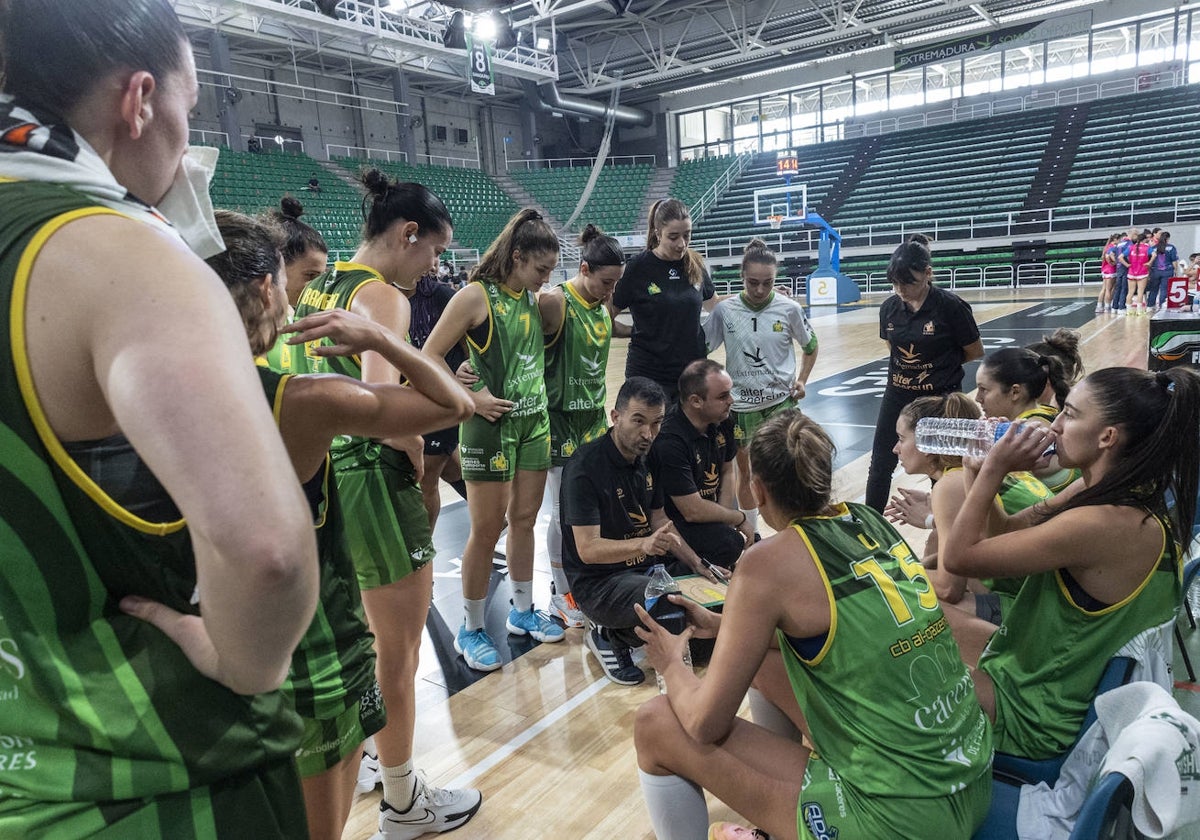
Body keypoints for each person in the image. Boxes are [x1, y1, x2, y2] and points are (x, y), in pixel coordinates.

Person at [0, 1, 319, 836]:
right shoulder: (122, 257)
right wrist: (244, 664)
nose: (189, 134)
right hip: (150, 782)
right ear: (139, 100)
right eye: (192, 104)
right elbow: (269, 554)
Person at [205, 210, 474, 839]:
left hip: (224, 641)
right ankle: (404, 802)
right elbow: (449, 405)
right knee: (394, 652)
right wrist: (381, 340)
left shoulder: (149, 393)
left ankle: (390, 773)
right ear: (269, 291)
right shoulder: (299, 400)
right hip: (313, 628)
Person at [633, 410, 993, 840]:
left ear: (757, 489)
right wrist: (722, 624)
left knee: (656, 723)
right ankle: (781, 820)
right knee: (765, 661)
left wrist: (671, 662)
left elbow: (704, 724)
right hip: (971, 781)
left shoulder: (766, 563)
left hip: (900, 820)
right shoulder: (869, 520)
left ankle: (805, 817)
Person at [290, 169, 483, 838]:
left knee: (361, 638)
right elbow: (380, 405)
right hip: (370, 476)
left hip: (319, 477)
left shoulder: (320, 282)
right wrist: (415, 459)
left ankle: (373, 759)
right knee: (398, 653)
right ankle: (403, 805)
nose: (434, 266)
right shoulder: (384, 298)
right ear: (408, 235)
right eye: (433, 250)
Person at [941, 366, 1200, 761]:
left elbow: (959, 560)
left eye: (1071, 414)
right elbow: (1005, 531)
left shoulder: (1102, 522)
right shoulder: (1119, 488)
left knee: (876, 671)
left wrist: (994, 470)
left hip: (1034, 713)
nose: (1056, 424)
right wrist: (978, 472)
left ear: (1107, 437)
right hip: (1048, 683)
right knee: (923, 624)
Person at [422, 209, 564, 672]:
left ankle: (523, 609)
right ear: (517, 256)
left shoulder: (532, 299)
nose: (545, 280)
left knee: (524, 520)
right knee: (488, 529)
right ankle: (472, 626)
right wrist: (471, 393)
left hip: (534, 425)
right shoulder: (474, 297)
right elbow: (429, 355)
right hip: (491, 427)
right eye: (540, 269)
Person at [560, 377, 720, 686]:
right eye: (638, 422)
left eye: (657, 423)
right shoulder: (584, 467)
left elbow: (660, 521)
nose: (648, 434)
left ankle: (640, 631)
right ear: (615, 417)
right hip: (599, 583)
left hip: (644, 570)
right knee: (667, 596)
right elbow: (587, 549)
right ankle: (611, 634)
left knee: (718, 570)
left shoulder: (650, 457)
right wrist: (642, 545)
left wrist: (699, 564)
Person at [541, 224, 626, 628]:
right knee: (563, 515)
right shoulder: (555, 302)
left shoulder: (602, 306)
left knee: (592, 511)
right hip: (559, 421)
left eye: (615, 284)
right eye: (606, 282)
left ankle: (587, 581)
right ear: (585, 267)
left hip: (593, 419)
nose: (611, 291)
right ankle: (561, 593)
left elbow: (618, 328)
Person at [704, 238, 818, 538]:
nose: (759, 289)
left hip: (781, 406)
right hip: (741, 408)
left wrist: (802, 379)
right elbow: (698, 347)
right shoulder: (725, 312)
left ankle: (796, 536)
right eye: (753, 282)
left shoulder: (789, 309)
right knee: (748, 475)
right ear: (742, 277)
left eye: (767, 283)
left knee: (791, 470)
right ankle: (751, 537)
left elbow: (811, 345)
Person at [865, 233, 984, 512]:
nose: (901, 290)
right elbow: (893, 347)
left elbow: (974, 351)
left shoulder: (951, 306)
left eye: (909, 282)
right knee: (881, 461)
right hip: (898, 393)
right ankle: (869, 524)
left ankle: (942, 524)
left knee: (942, 464)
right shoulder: (889, 309)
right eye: (895, 283)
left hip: (939, 397)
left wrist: (939, 368)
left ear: (928, 273)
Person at [652, 359, 752, 571]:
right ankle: (677, 573)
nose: (731, 400)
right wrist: (738, 517)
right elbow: (692, 511)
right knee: (729, 543)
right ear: (696, 401)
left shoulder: (723, 419)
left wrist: (724, 518)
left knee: (729, 538)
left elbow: (727, 471)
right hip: (673, 524)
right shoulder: (670, 440)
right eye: (723, 396)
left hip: (705, 514)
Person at [613, 198, 715, 401]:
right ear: (658, 233)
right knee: (651, 432)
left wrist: (762, 296)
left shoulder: (695, 264)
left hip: (691, 374)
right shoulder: (638, 267)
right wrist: (630, 331)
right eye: (674, 237)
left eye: (687, 235)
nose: (682, 244)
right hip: (649, 374)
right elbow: (605, 315)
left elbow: (716, 305)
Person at [403, 270, 470, 531]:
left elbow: (470, 343)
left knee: (426, 477)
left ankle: (423, 552)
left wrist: (467, 376)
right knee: (450, 469)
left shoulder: (441, 295)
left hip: (441, 399)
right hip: (409, 399)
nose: (432, 263)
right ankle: (496, 521)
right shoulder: (384, 294)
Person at [261, 196, 329, 372]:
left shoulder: (296, 314)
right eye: (310, 275)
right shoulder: (251, 327)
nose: (317, 285)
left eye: (321, 277)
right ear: (279, 266)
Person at [1147, 229, 1182, 311]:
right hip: (1167, 271)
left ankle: (1150, 306)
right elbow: (1174, 261)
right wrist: (1176, 271)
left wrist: (1149, 272)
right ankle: (1162, 306)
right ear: (1168, 239)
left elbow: (1150, 261)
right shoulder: (1171, 247)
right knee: (1164, 289)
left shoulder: (1153, 248)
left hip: (1155, 271)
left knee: (1153, 289)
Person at [1121, 230, 1151, 314]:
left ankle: (1129, 310)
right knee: (1140, 292)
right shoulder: (1147, 247)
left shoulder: (1131, 247)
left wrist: (1127, 265)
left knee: (1130, 292)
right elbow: (1155, 255)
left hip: (1131, 272)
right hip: (1142, 272)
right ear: (1144, 240)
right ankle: (1139, 310)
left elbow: (1120, 257)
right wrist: (1149, 262)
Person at [1096, 233, 1119, 313]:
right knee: (1110, 289)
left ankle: (1099, 306)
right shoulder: (1113, 247)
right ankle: (1107, 306)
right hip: (1111, 270)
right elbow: (1107, 257)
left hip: (1104, 269)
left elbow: (1104, 257)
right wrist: (1114, 262)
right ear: (1115, 239)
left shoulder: (1106, 247)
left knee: (1104, 289)